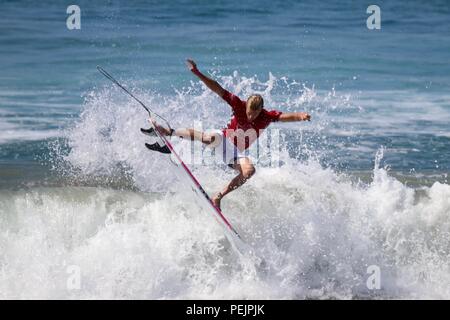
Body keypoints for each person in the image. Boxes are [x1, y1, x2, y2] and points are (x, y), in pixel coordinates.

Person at [142, 59, 311, 209]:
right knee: (211, 137)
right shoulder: (238, 104)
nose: (250, 116)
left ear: (261, 110)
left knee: (249, 171)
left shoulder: (267, 116)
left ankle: (218, 197)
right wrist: (197, 72)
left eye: (254, 114)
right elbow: (217, 88)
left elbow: (285, 116)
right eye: (248, 112)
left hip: (234, 153)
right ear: (246, 106)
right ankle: (168, 132)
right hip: (222, 139)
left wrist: (301, 116)